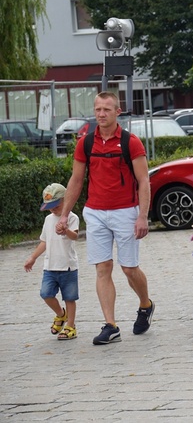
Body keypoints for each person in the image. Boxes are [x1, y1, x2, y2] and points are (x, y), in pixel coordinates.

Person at [56, 91, 153, 346]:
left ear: (117, 112)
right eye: (98, 109)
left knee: (130, 269)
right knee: (103, 268)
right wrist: (65, 214)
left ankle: (145, 304)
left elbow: (144, 181)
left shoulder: (131, 142)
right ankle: (110, 325)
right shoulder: (86, 143)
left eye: (107, 110)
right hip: (95, 212)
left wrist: (143, 216)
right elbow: (76, 180)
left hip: (125, 212)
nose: (101, 114)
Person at [24, 183, 80, 340]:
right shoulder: (48, 220)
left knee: (70, 297)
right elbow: (44, 241)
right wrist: (33, 257)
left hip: (68, 266)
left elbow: (75, 236)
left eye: (55, 205)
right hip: (50, 267)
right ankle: (61, 315)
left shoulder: (72, 217)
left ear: (65, 200)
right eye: (49, 206)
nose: (52, 209)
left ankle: (71, 326)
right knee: (46, 294)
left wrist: (66, 231)